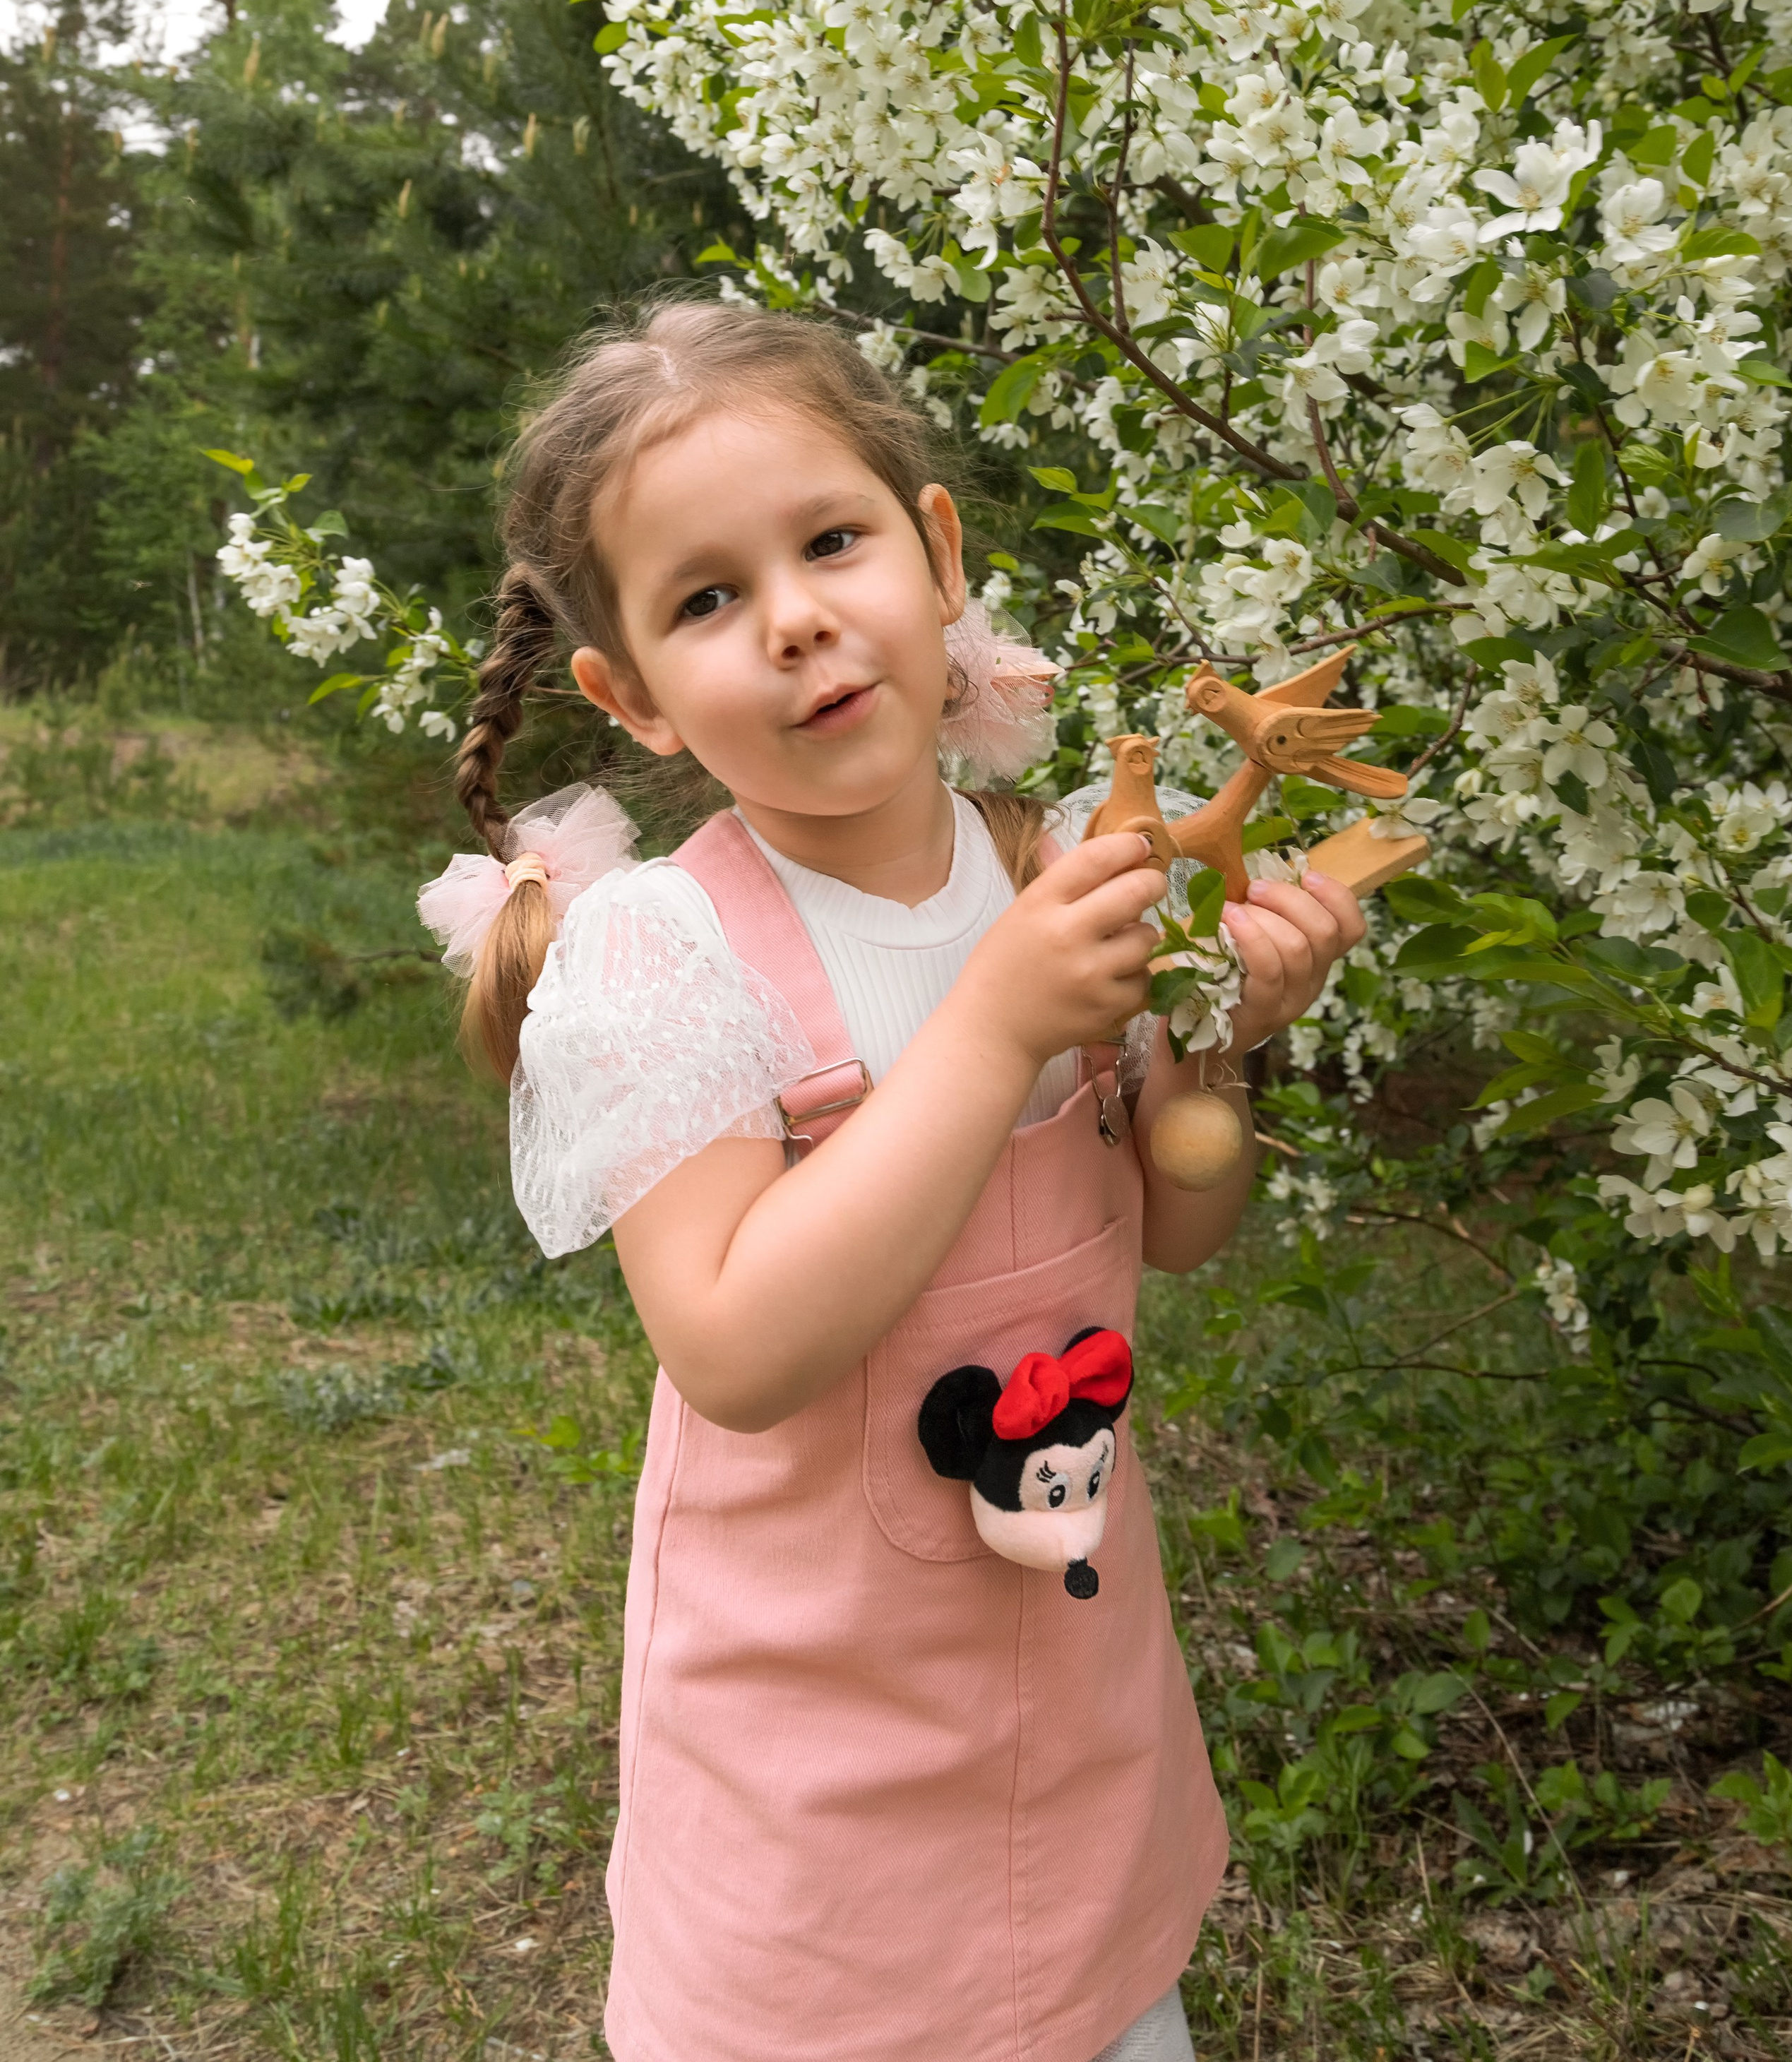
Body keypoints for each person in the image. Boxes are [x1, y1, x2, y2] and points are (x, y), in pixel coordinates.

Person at [417, 302, 1364, 2062]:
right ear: (632, 696)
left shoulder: (1050, 871)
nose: (791, 620)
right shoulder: (663, 953)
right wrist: (994, 1027)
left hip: (1063, 1683)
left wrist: (1224, 1045)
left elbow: (1177, 1224)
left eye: (830, 541)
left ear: (933, 556)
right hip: (813, 1758)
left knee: (1092, 2008)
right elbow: (735, 1346)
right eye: (705, 600)